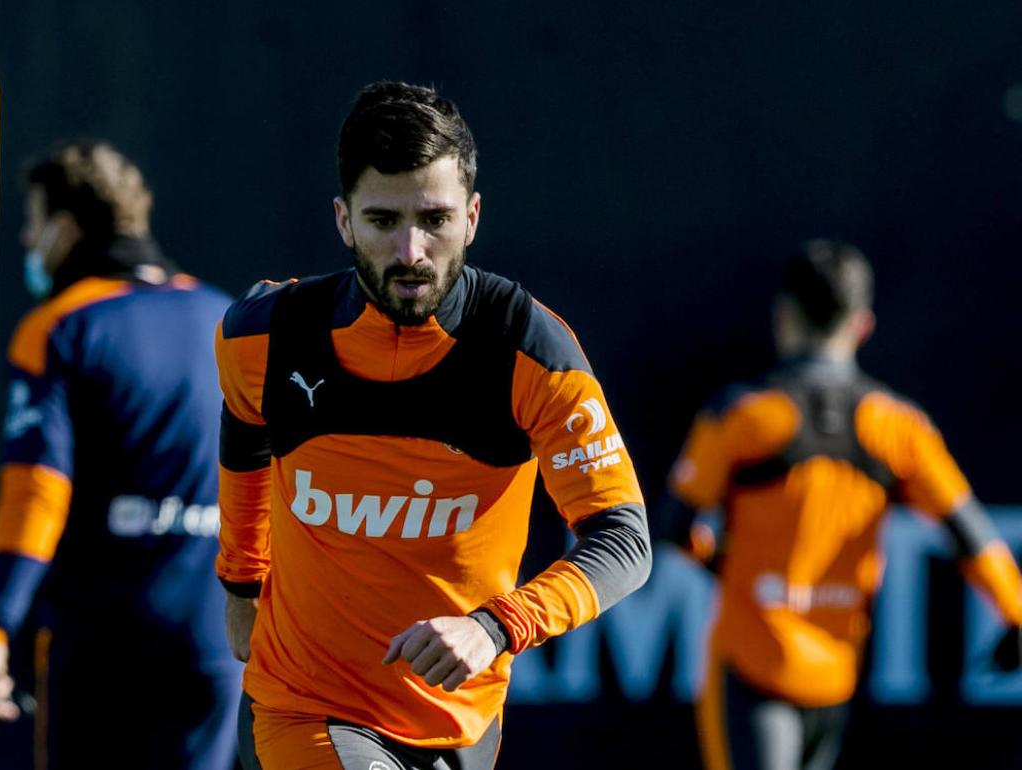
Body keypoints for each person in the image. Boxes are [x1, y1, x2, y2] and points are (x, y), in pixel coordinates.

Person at [213, 81, 652, 770]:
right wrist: (243, 581)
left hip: (462, 722)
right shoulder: (262, 336)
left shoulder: (531, 352)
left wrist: (498, 626)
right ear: (343, 220)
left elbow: (624, 541)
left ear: (472, 217)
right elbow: (244, 434)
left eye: (436, 219)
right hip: (306, 706)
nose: (411, 249)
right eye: (383, 220)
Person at [658, 240, 1022, 770]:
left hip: (753, 665)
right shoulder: (900, 427)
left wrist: (721, 563)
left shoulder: (742, 416)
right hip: (833, 672)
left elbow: (674, 525)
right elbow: (968, 529)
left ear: (784, 315)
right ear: (863, 325)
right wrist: (1014, 612)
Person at [0, 140, 242, 770]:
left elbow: (37, 492)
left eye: (32, 222)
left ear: (65, 230)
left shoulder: (61, 325)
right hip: (215, 645)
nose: (25, 239)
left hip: (102, 651)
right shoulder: (229, 319)